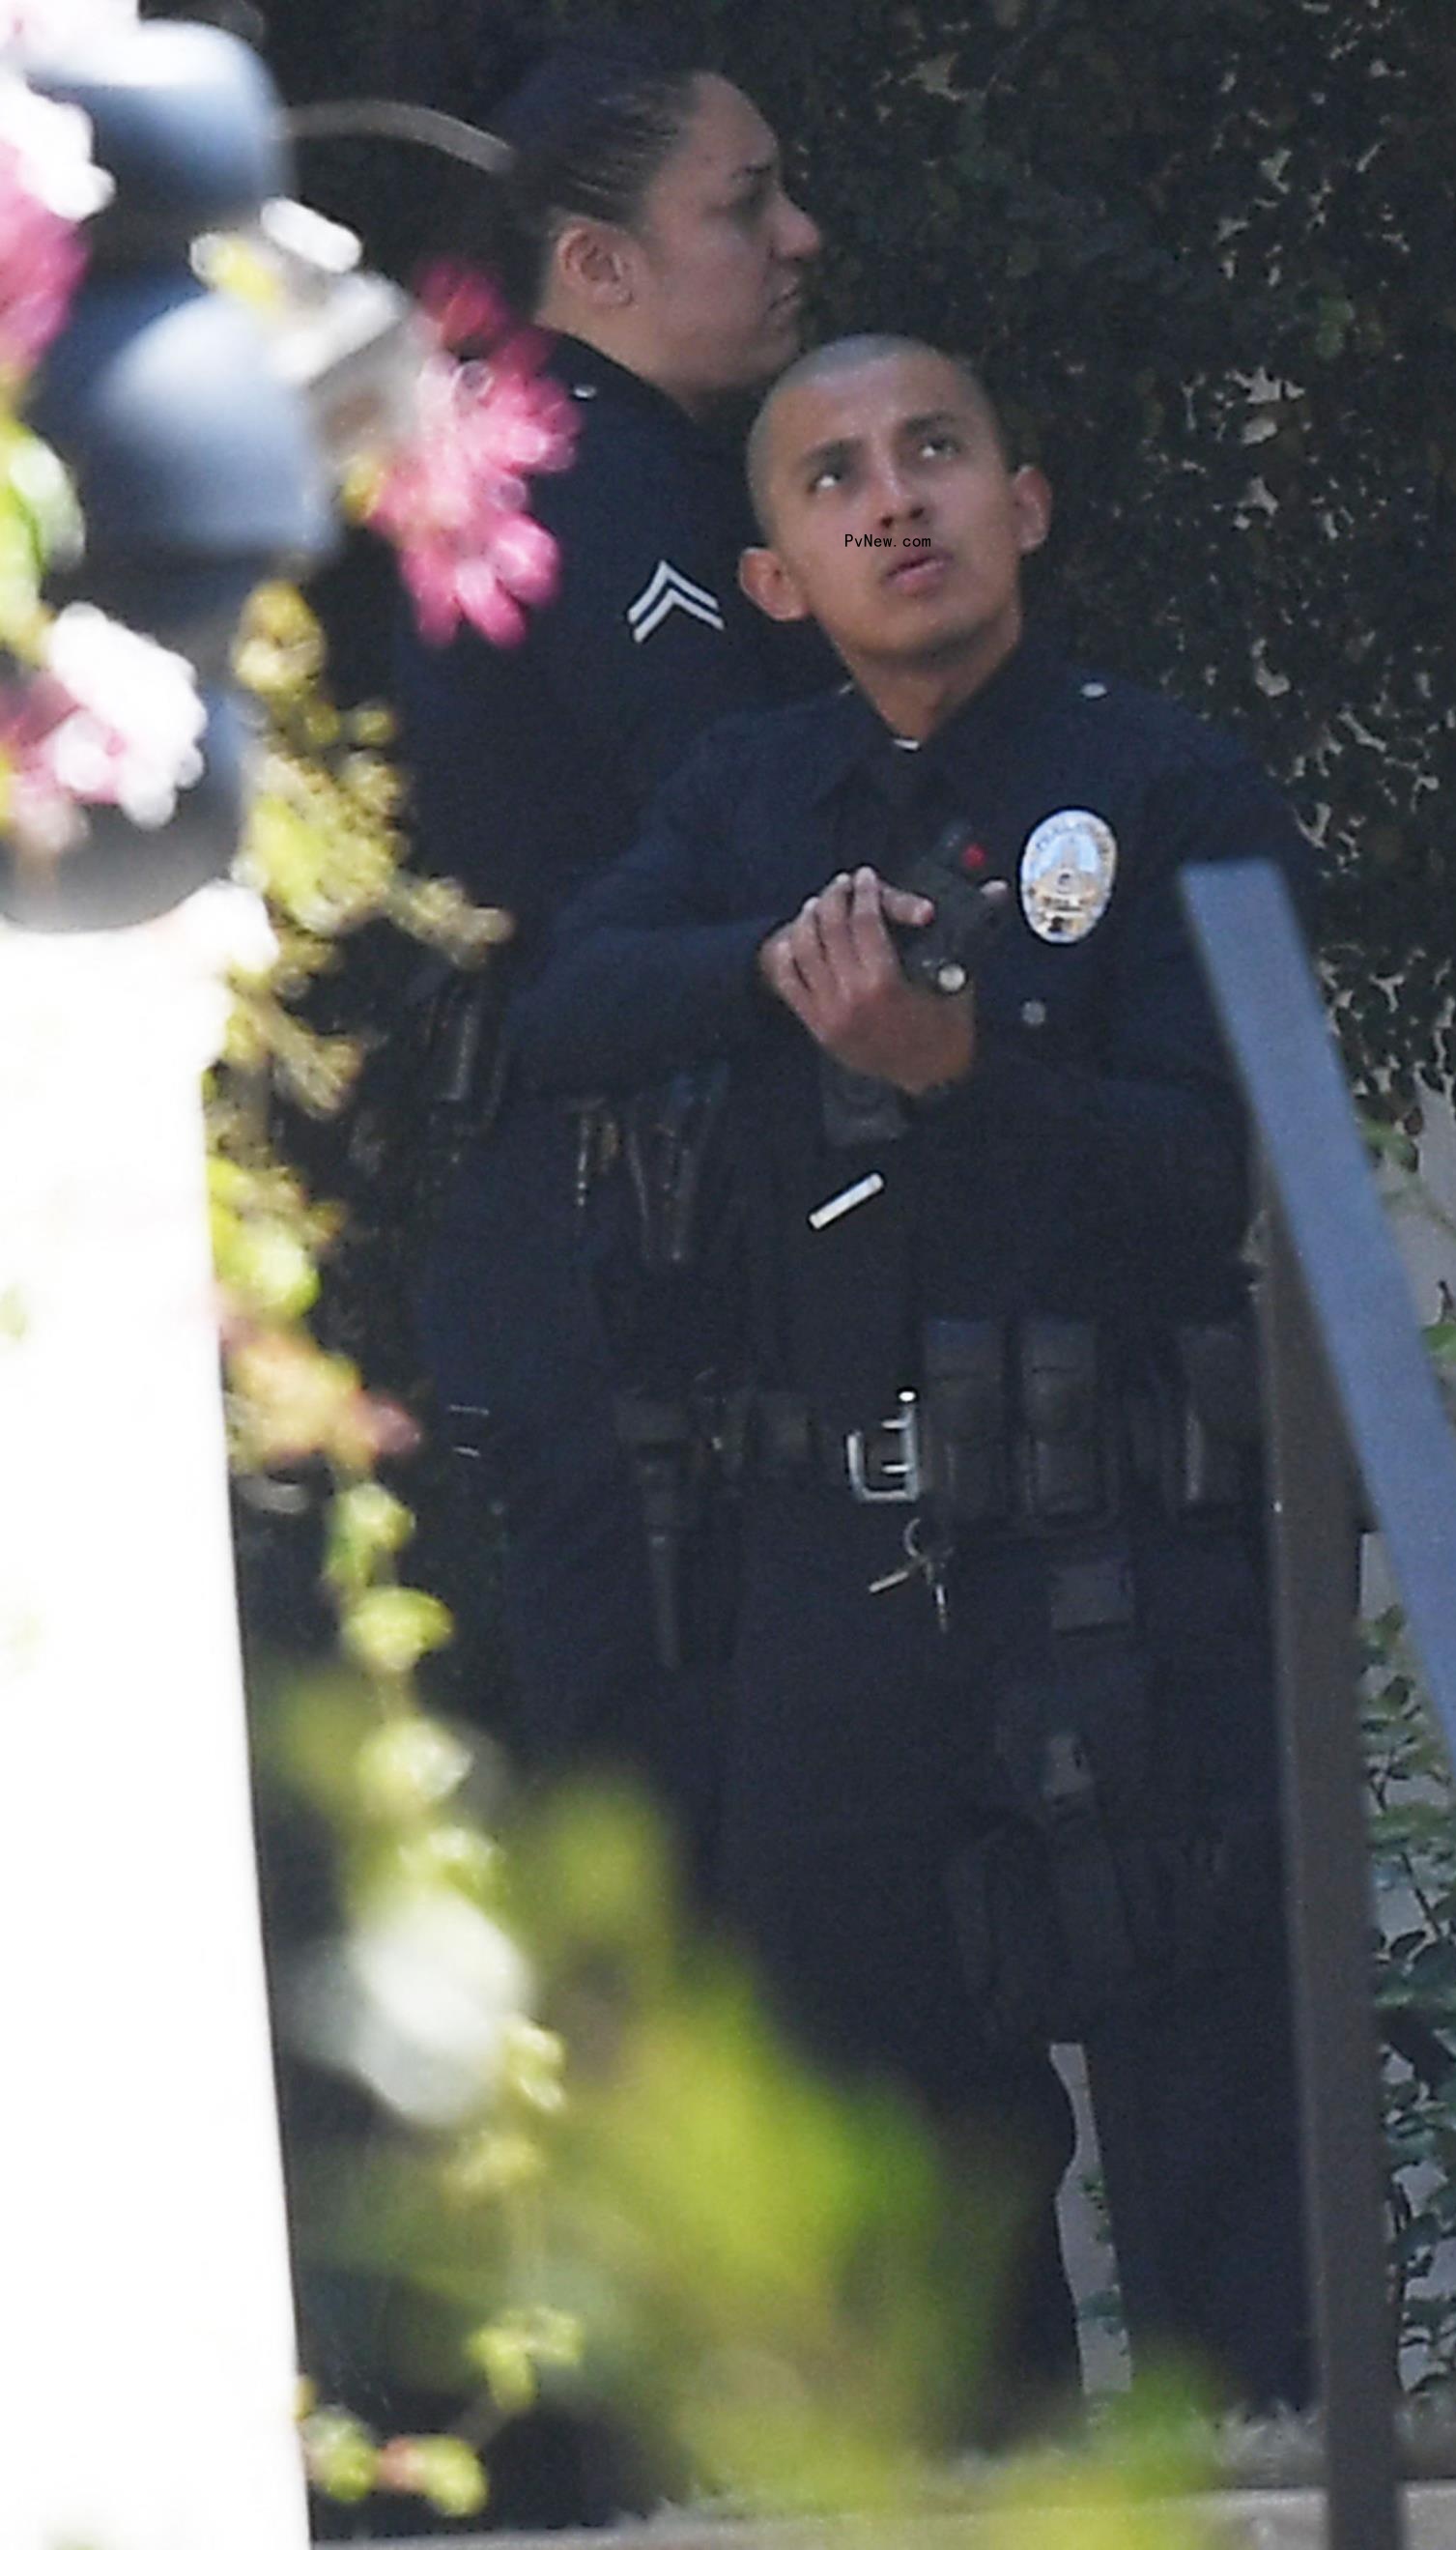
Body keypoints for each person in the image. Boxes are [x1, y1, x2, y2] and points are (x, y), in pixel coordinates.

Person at [510, 335, 1314, 2418]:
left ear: (1022, 502)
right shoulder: (749, 799)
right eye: (834, 478)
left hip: (1123, 1549)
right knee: (907, 2187)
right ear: (776, 576)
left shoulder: (1164, 784)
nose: (896, 503)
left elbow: (1201, 1170)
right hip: (838, 1572)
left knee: (1224, 2149)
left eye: (937, 454)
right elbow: (567, 1007)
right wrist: (792, 972)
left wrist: (967, 1073)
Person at [396, 27, 824, 1836]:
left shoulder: (566, 457)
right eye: (745, 206)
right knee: (680, 1762)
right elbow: (739, 829)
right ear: (600, 264)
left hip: (590, 1214)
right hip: (622, 1226)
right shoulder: (603, 480)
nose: (802, 237)